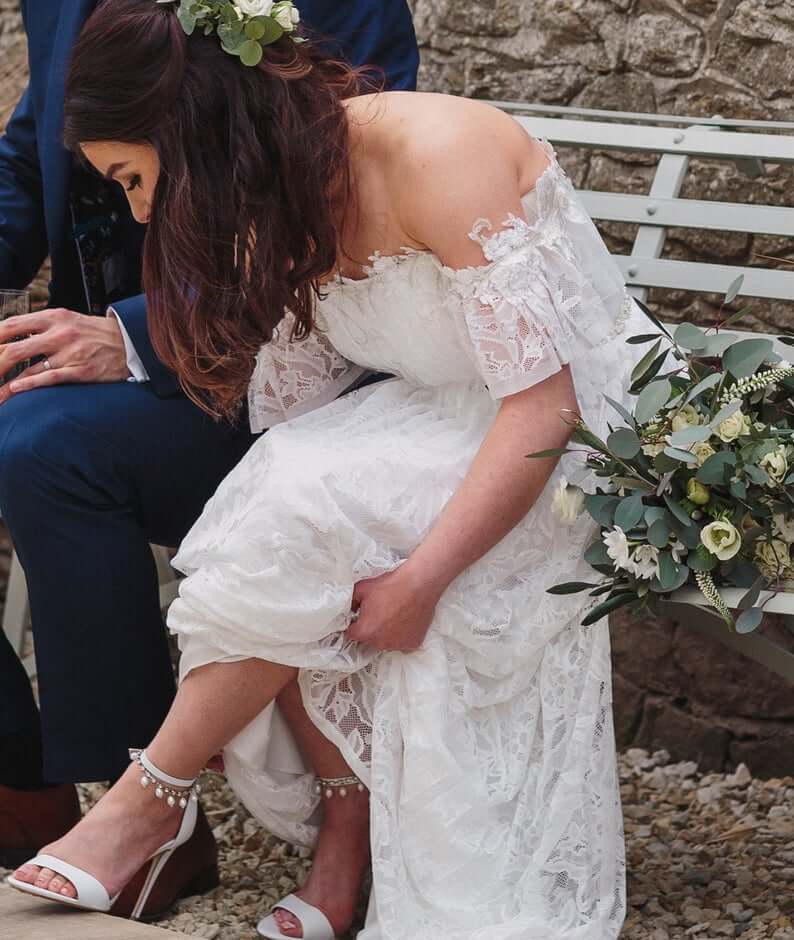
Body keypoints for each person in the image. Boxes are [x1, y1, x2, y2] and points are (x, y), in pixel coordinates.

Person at [11, 0, 636, 936]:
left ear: (193, 131)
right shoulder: (277, 199)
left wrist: (422, 578)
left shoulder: (436, 156)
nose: (140, 214)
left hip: (567, 420)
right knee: (283, 495)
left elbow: (548, 402)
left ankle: (152, 799)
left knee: (305, 500)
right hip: (427, 408)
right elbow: (290, 414)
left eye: (137, 179)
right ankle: (307, 832)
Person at [0, 0, 418, 915]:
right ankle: (35, 776)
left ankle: (146, 800)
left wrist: (141, 335)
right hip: (108, 355)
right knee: (32, 438)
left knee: (39, 447)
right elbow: (31, 161)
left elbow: (343, 189)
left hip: (288, 364)